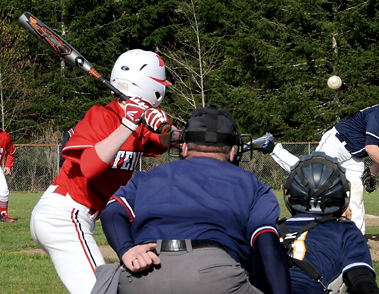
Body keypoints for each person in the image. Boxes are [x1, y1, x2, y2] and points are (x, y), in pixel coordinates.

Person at [99, 103, 292, 294]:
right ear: (232, 152)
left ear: (184, 148)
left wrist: (126, 250)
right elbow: (268, 246)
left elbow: (113, 212)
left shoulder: (147, 177)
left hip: (144, 273)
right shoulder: (252, 184)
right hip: (216, 274)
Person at [30, 49, 176, 294]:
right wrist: (127, 125)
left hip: (80, 217)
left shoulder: (138, 124)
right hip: (64, 215)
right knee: (103, 290)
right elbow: (89, 167)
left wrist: (163, 124)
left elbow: (168, 142)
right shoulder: (102, 115)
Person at [248, 82, 379, 235]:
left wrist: (373, 175)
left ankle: (357, 238)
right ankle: (270, 147)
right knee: (308, 175)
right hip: (338, 143)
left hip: (354, 156)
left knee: (356, 192)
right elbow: (371, 148)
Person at [268, 152, 379, 294]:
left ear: (290, 195)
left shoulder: (272, 231)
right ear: (341, 196)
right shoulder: (346, 231)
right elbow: (363, 282)